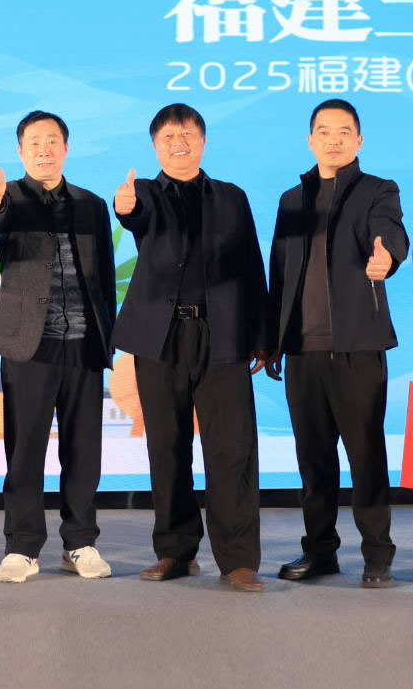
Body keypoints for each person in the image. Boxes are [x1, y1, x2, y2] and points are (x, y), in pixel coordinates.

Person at [112, 104, 271, 593]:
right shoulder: (144, 193)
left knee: (232, 448)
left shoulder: (232, 197)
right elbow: (134, 217)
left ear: (202, 141)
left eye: (187, 134)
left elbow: (252, 265)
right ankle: (176, 550)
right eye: (168, 136)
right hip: (160, 338)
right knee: (167, 446)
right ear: (155, 145)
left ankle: (238, 559)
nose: (178, 142)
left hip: (223, 335)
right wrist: (126, 206)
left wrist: (263, 337)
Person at [267, 99, 407, 589]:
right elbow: (279, 271)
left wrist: (386, 259)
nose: (333, 139)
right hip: (302, 351)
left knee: (366, 456)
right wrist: (271, 341)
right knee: (314, 460)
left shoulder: (378, 190)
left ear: (358, 140)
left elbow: (390, 233)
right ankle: (320, 551)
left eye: (344, 131)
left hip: (357, 348)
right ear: (310, 140)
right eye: (324, 131)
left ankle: (378, 555)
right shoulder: (291, 199)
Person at [0, 111, 116, 584]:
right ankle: (22, 546)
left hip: (84, 341)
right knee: (25, 450)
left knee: (84, 450)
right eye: (34, 142)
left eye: (52, 141)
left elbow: (105, 277)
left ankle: (80, 542)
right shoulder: (8, 198)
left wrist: (108, 338)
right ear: (20, 151)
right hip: (28, 344)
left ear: (66, 148)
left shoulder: (92, 204)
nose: (43, 149)